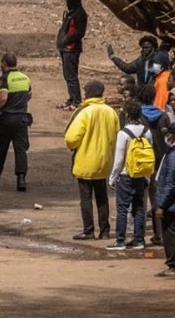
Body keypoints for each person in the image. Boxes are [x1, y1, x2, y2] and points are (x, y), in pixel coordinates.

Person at [64, 81, 120, 240]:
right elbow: (117, 134)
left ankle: (88, 230)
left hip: (85, 161)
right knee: (102, 197)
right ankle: (105, 230)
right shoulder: (111, 112)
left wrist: (74, 146)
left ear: (89, 93)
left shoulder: (84, 112)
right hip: (104, 161)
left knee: (86, 198)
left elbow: (71, 138)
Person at [107, 101, 155, 250]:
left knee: (122, 208)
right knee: (139, 207)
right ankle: (139, 240)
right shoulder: (147, 131)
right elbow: (149, 154)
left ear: (127, 115)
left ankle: (120, 240)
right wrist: (148, 176)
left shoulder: (123, 133)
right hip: (141, 175)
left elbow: (119, 158)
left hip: (126, 175)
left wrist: (113, 178)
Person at [0, 53, 32, 191]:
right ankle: (21, 180)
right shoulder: (25, 77)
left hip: (6, 119)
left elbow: (3, 98)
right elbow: (29, 95)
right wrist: (19, 104)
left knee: (1, 149)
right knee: (20, 150)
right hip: (22, 119)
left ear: (4, 63)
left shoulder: (4, 78)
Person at [155, 123, 175, 277]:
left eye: (168, 134)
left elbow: (171, 183)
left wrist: (161, 204)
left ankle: (172, 266)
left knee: (171, 235)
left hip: (171, 203)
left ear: (172, 136)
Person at [138, 85, 170, 245]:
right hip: (160, 162)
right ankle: (160, 234)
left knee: (141, 200)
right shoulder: (163, 116)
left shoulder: (138, 116)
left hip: (142, 162)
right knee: (157, 199)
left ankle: (140, 235)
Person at [56, 0, 88, 112]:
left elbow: (79, 32)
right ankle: (71, 98)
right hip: (65, 48)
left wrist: (66, 40)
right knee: (67, 75)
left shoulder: (80, 14)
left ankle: (77, 101)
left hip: (71, 49)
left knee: (71, 76)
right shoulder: (70, 12)